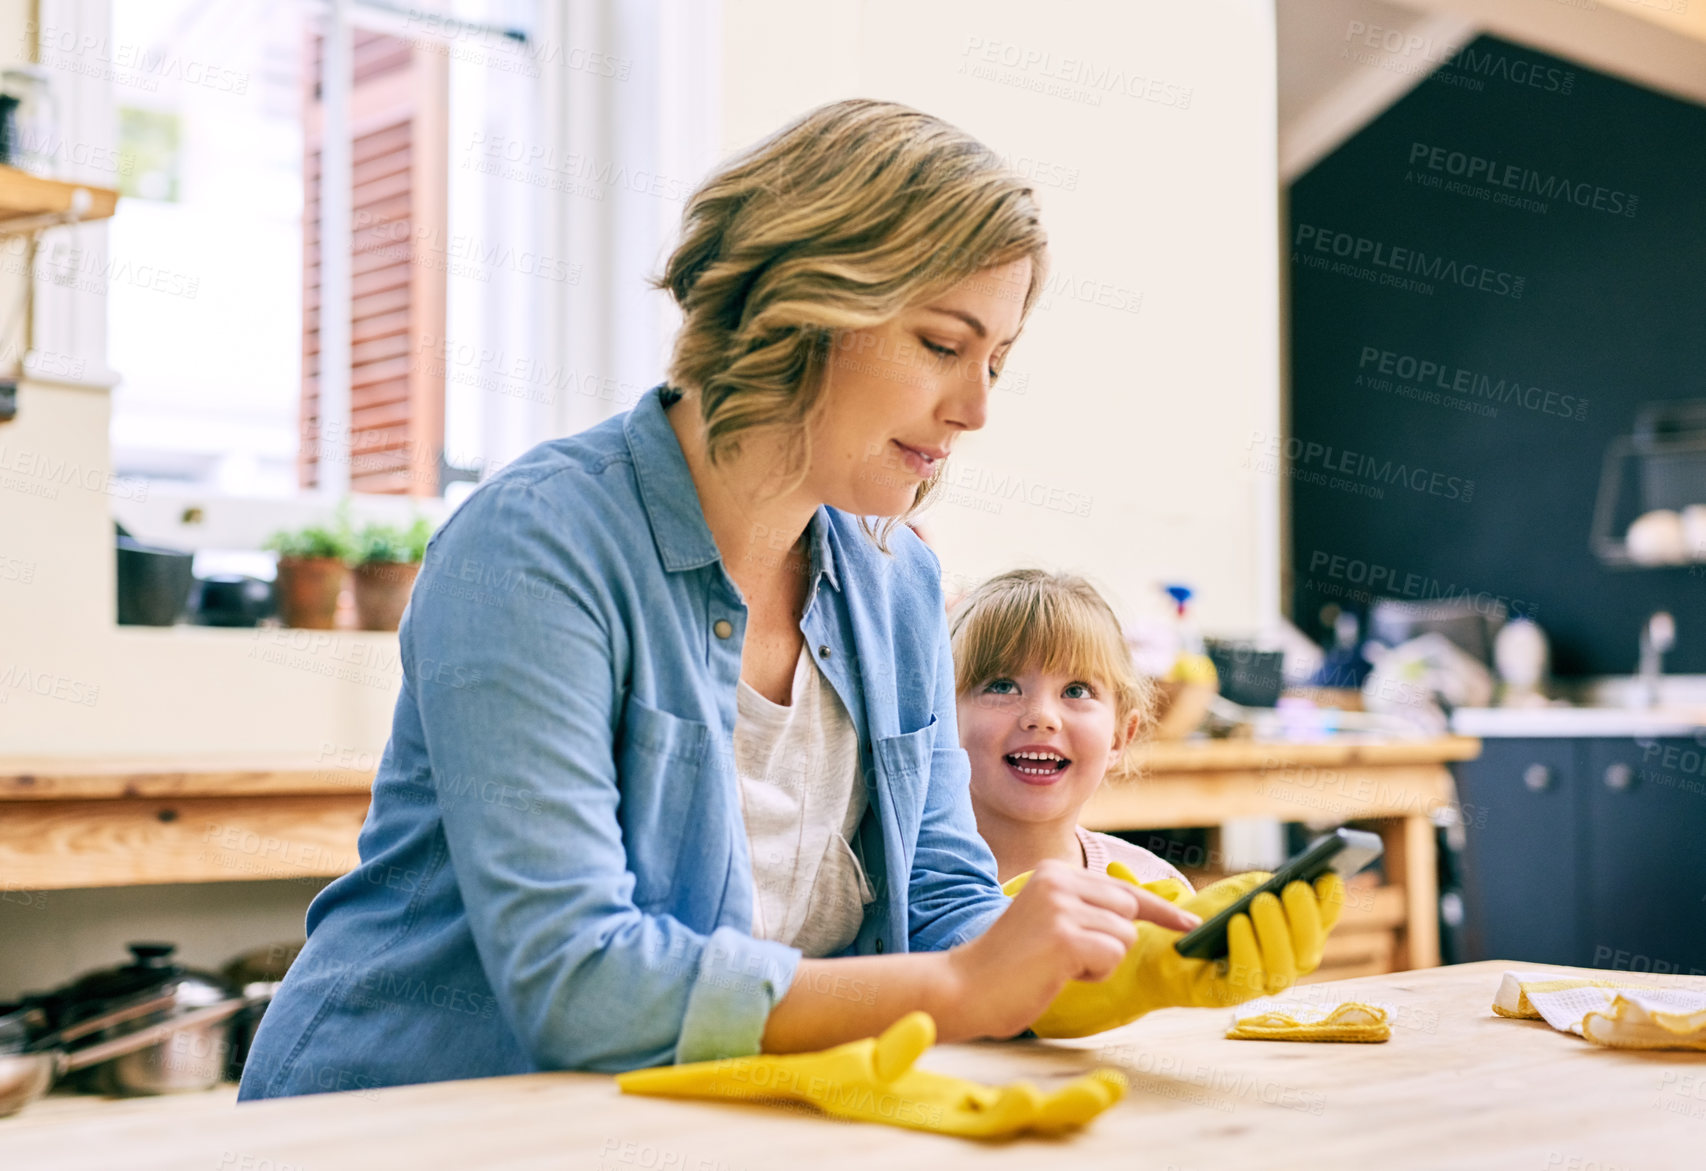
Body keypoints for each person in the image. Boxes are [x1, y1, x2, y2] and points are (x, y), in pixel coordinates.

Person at [239, 99, 1324, 1100]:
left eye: (996, 358)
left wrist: (1115, 969)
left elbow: (942, 909)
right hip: (399, 1125)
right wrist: (956, 992)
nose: (975, 408)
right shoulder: (538, 546)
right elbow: (577, 984)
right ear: (802, 304)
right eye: (942, 345)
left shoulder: (894, 579)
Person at [949, 569, 1193, 889]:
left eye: (1076, 690)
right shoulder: (900, 887)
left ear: (1120, 737)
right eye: (1003, 686)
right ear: (941, 720)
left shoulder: (1154, 889)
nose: (1042, 717)